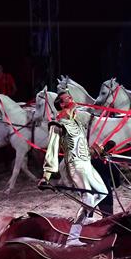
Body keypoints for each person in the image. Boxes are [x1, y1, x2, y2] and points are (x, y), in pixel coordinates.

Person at [38, 90, 108, 246]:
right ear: (62, 104)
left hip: (85, 163)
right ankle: (73, 237)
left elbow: (81, 148)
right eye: (69, 98)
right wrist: (47, 175)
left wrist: (95, 150)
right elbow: (52, 150)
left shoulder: (77, 123)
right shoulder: (57, 124)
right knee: (89, 198)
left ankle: (86, 216)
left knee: (102, 192)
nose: (73, 99)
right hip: (75, 165)